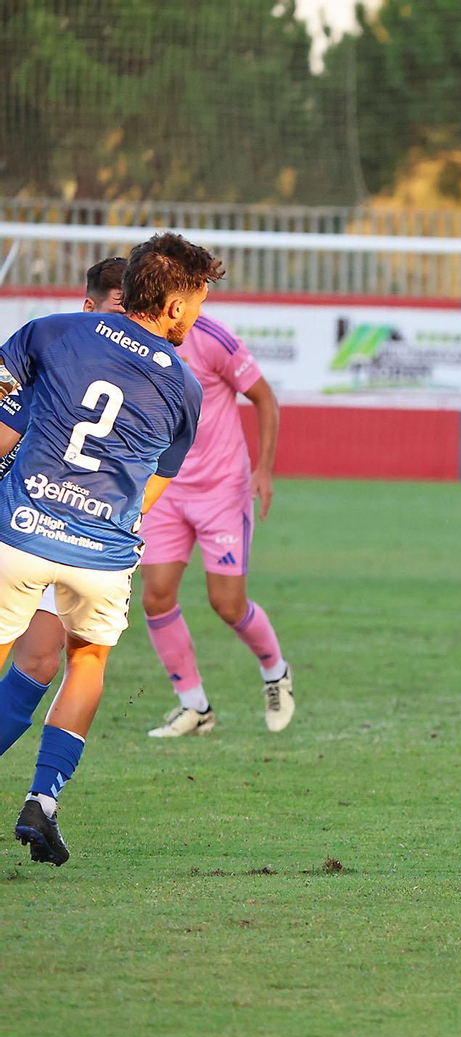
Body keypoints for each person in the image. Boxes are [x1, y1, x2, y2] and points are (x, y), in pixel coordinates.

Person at [1, 231, 209, 866]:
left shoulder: (51, 331)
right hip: (102, 552)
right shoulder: (185, 388)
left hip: (22, 528)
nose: (199, 316)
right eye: (198, 302)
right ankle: (44, 798)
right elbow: (149, 492)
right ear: (173, 306)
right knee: (84, 661)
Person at [141, 304, 292, 737]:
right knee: (156, 597)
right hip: (166, 489)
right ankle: (195, 707)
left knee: (227, 604)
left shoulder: (212, 336)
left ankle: (275, 672)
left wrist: (263, 469)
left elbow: (265, 397)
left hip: (222, 491)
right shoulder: (135, 334)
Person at [0, 259, 130, 758]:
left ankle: (41, 800)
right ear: (89, 309)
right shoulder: (54, 365)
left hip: (83, 538)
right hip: (22, 525)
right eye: (115, 310)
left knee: (40, 664)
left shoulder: (146, 387)